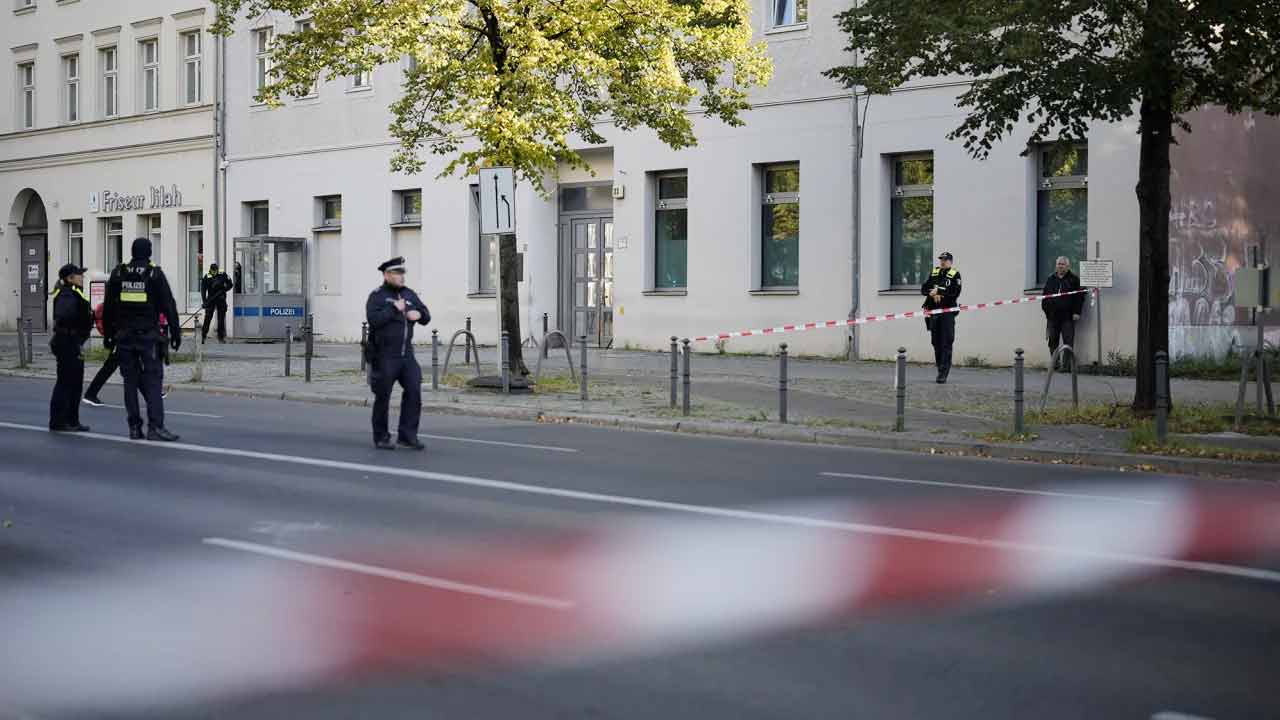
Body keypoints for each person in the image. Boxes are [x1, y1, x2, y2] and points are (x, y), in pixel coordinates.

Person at [102, 237, 181, 441]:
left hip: (124, 337)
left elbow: (108, 306)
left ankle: (134, 428)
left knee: (130, 382)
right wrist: (176, 332)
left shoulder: (119, 273)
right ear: (149, 252)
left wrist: (108, 335)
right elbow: (169, 305)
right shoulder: (154, 274)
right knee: (153, 382)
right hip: (148, 337)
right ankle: (155, 427)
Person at [366, 256, 431, 450]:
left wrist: (419, 315)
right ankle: (381, 437)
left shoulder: (409, 294)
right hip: (385, 355)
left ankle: (407, 436)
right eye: (397, 273)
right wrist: (393, 309)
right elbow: (374, 320)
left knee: (414, 390)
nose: (402, 276)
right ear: (386, 275)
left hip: (406, 355)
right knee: (383, 396)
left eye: (403, 273)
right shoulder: (377, 296)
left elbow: (426, 315)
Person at [49, 263, 93, 432]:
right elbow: (66, 316)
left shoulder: (73, 292)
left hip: (73, 341)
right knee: (66, 382)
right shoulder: (67, 293)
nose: (82, 277)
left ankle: (72, 420)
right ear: (70, 278)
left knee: (75, 383)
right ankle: (58, 422)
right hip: (67, 341)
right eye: (79, 274)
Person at [921, 251, 962, 384]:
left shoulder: (955, 274)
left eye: (945, 260)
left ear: (950, 261)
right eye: (941, 260)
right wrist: (932, 294)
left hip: (947, 313)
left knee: (946, 342)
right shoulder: (934, 273)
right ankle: (940, 368)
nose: (943, 262)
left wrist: (939, 292)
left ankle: (943, 372)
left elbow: (955, 293)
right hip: (933, 312)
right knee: (935, 342)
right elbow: (924, 289)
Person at [1042, 256, 1085, 370]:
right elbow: (1045, 296)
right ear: (1056, 265)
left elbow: (1080, 297)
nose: (1060, 266)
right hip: (1052, 317)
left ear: (1068, 266)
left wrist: (1077, 312)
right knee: (1052, 341)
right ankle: (1054, 365)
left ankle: (1066, 366)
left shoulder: (1074, 279)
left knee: (1068, 342)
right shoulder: (1051, 279)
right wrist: (1047, 312)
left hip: (1068, 317)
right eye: (1059, 264)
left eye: (1063, 264)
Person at [200, 263, 234, 343]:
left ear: (217, 270)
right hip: (211, 299)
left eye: (215, 271)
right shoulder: (207, 276)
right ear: (210, 270)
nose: (214, 272)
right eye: (213, 271)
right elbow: (203, 290)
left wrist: (224, 289)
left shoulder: (222, 274)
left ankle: (220, 337)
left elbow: (230, 284)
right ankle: (203, 336)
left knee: (221, 318)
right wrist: (204, 301)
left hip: (221, 298)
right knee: (208, 318)